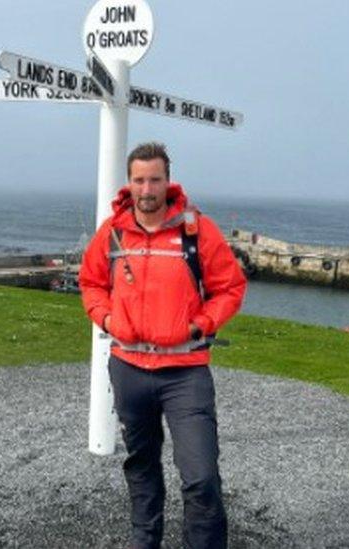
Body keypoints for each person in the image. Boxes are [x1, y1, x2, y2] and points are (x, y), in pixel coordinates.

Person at [79, 142, 247, 548]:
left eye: (154, 179)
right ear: (129, 182)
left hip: (185, 373)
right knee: (141, 468)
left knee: (201, 477)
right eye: (139, 179)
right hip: (128, 369)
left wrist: (200, 324)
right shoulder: (113, 232)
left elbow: (230, 287)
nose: (147, 188)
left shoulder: (196, 230)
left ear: (168, 180)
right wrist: (107, 318)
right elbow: (91, 283)